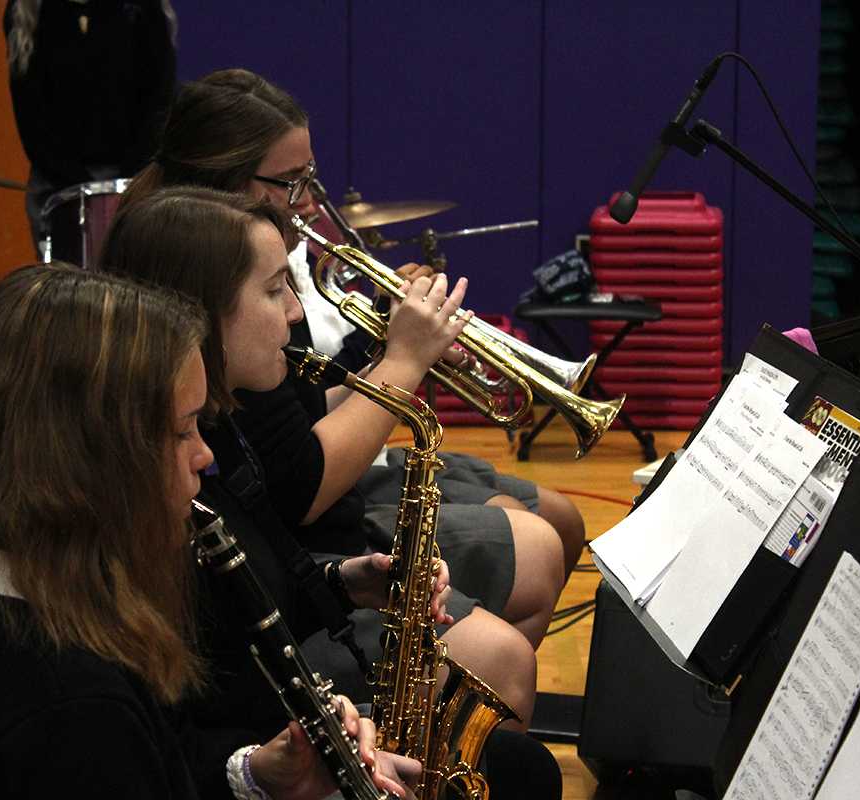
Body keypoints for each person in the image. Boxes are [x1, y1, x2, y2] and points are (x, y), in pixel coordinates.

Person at [0, 264, 417, 799]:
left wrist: (255, 774)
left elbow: (163, 754)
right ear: (90, 460)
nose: (204, 456)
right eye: (183, 431)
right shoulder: (71, 708)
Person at [101, 186, 563, 799]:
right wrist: (262, 766)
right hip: (253, 738)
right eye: (273, 290)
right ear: (199, 311)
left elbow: (259, 576)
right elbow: (188, 709)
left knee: (521, 764)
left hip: (279, 703)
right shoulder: (160, 471)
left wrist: (344, 582)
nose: (295, 312)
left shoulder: (223, 422)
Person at [123, 67, 585, 655]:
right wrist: (403, 362)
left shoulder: (246, 270)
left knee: (557, 523)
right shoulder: (215, 294)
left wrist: (384, 342)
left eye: (309, 178)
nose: (311, 202)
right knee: (533, 561)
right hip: (301, 554)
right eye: (292, 182)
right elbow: (302, 488)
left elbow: (306, 404)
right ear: (223, 183)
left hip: (323, 531)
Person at [4, 0, 178, 254]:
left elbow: (159, 101)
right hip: (56, 181)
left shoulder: (143, 7)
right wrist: (79, 188)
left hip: (136, 176)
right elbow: (31, 115)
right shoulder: (26, 9)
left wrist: (128, 183)